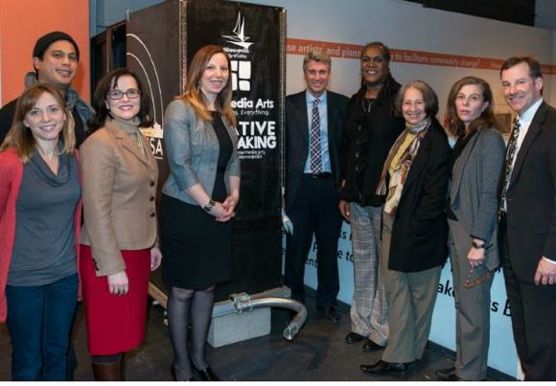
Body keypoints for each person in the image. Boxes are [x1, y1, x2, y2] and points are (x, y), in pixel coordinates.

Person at [160, 45, 240, 381]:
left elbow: (234, 161)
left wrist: (234, 195)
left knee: (207, 287)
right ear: (198, 72)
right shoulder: (180, 109)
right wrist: (209, 205)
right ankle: (180, 364)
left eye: (223, 68)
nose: (218, 74)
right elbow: (179, 165)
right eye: (211, 68)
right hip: (186, 209)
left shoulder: (226, 114)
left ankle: (199, 358)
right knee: (183, 290)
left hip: (219, 208)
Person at [360, 80, 451, 375]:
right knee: (397, 291)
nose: (412, 109)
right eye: (407, 103)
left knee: (419, 295)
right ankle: (401, 353)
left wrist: (412, 230)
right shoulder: (406, 136)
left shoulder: (435, 142)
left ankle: (404, 355)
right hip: (395, 221)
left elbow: (434, 197)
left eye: (418, 102)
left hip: (418, 231)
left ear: (429, 105)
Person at [79, 68, 161, 380]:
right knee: (107, 339)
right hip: (109, 255)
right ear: (105, 102)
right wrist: (112, 266)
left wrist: (154, 243)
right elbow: (96, 209)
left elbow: (146, 197)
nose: (125, 99)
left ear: (141, 98)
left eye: (132, 92)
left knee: (124, 336)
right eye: (117, 93)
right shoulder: (100, 142)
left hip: (137, 250)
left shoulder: (137, 136)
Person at [0, 84, 81, 380]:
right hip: (23, 280)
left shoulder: (75, 159)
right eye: (35, 111)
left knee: (58, 351)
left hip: (65, 276)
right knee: (28, 358)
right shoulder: (9, 162)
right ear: (25, 120)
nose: (46, 118)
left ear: (64, 115)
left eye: (53, 109)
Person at [435, 77, 505, 381]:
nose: (466, 103)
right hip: (457, 231)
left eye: (474, 98)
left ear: (485, 104)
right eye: (461, 97)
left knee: (473, 313)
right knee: (464, 307)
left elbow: (491, 193)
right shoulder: (466, 136)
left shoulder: (489, 138)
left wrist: (479, 242)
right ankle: (465, 366)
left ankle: (471, 375)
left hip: (474, 236)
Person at [340, 42, 404, 350]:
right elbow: (348, 148)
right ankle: (361, 322)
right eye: (366, 60)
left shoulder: (400, 100)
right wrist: (345, 191)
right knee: (363, 261)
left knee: (384, 265)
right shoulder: (355, 101)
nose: (371, 64)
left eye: (377, 60)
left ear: (388, 64)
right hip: (357, 197)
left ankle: (381, 328)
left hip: (386, 200)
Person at [498, 56, 556, 380]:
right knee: (525, 333)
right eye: (506, 83)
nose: (512, 90)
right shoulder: (519, 125)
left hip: (541, 257)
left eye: (520, 82)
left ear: (538, 83)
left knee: (544, 338)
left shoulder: (553, 126)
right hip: (514, 248)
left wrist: (552, 255)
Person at [283, 50, 349, 323]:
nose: (318, 77)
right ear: (305, 73)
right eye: (313, 72)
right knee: (296, 248)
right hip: (299, 188)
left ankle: (327, 302)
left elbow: (347, 148)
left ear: (328, 74)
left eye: (323, 72)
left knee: (328, 248)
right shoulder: (288, 105)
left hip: (329, 189)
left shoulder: (342, 105)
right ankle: (294, 302)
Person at [0, 31, 92, 147]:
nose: (66, 62)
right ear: (37, 63)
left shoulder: (83, 113)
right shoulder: (13, 113)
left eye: (72, 57)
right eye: (57, 55)